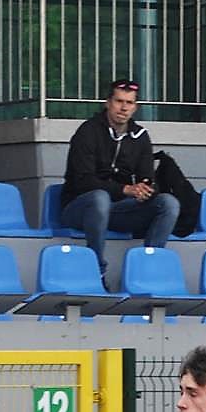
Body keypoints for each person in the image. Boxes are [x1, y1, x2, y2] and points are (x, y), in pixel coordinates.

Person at [58, 77, 180, 282]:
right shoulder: (88, 131)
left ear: (135, 107)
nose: (124, 108)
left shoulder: (140, 136)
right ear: (108, 103)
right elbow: (82, 182)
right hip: (80, 209)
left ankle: (147, 272)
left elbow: (147, 178)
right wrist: (125, 189)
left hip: (118, 210)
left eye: (129, 103)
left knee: (168, 203)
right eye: (119, 101)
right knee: (99, 198)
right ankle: (96, 271)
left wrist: (145, 190)